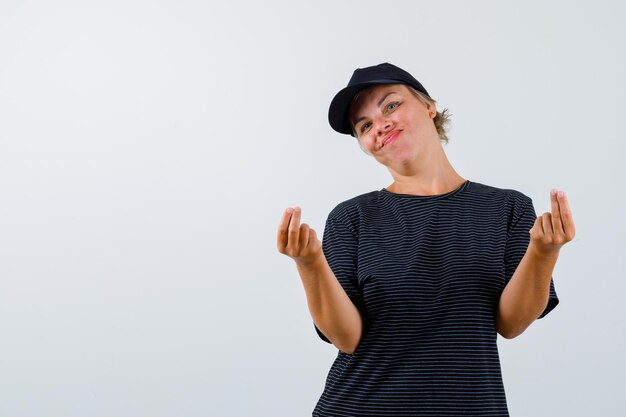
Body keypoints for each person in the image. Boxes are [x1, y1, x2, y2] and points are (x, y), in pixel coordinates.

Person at [276, 63, 575, 416]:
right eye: (365, 126)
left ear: (429, 107)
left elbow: (511, 324)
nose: (380, 125)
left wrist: (544, 252)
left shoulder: (507, 208)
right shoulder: (351, 218)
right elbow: (347, 337)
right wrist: (309, 264)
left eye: (390, 105)